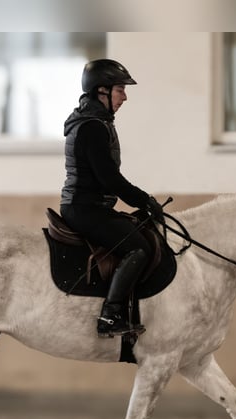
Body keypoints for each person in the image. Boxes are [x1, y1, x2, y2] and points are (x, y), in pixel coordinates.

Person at [60, 58, 164, 338]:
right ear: (101, 91)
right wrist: (145, 201)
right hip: (84, 209)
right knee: (138, 248)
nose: (125, 97)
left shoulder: (96, 121)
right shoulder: (92, 126)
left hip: (91, 207)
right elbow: (110, 179)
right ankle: (110, 315)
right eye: (120, 89)